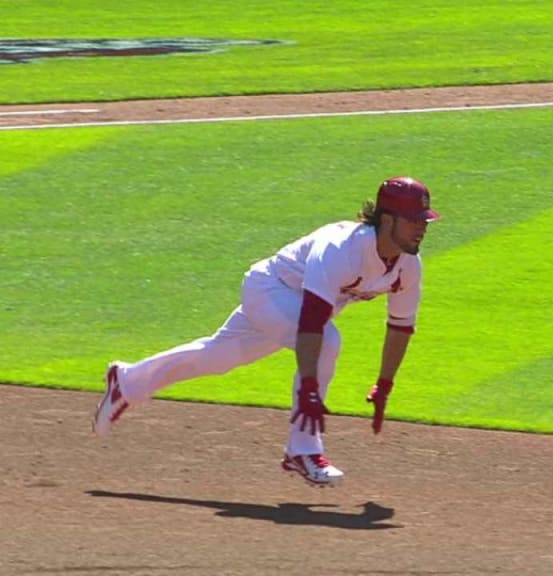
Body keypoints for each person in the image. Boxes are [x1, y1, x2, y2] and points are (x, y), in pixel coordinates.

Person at [92, 176, 441, 487]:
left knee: (216, 357)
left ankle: (127, 381)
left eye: (423, 221)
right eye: (414, 220)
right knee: (328, 341)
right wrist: (308, 388)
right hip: (269, 290)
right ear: (387, 219)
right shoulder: (341, 250)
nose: (421, 228)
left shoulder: (408, 265)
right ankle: (303, 450)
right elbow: (311, 323)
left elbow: (400, 326)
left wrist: (385, 383)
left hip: (292, 306)